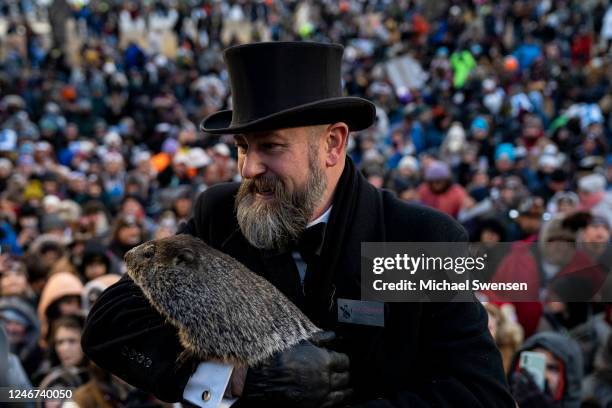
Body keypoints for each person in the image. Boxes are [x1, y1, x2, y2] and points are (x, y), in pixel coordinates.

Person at [82, 42, 513, 407]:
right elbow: (111, 324)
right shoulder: (221, 216)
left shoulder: (416, 240)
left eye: (270, 146)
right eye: (242, 146)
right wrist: (241, 377)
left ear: (332, 143)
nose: (249, 167)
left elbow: (478, 393)